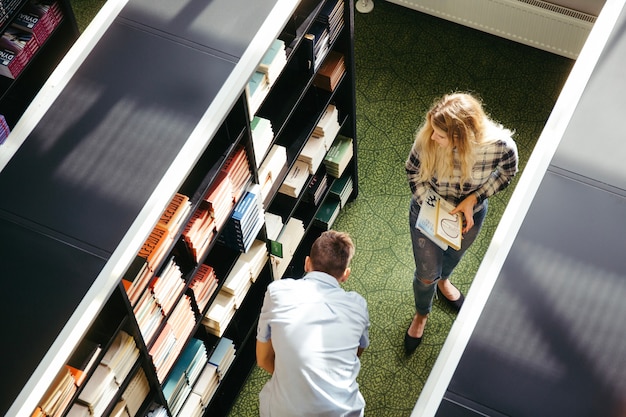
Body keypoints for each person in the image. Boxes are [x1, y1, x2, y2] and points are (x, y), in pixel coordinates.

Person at [404, 92, 518, 354]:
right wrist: (433, 208)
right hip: (427, 213)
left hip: (470, 217)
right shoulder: (427, 140)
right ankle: (422, 313)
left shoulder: (499, 146)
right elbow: (412, 171)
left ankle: (444, 281)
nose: (433, 137)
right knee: (424, 276)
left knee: (453, 257)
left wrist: (475, 198)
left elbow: (508, 171)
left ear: (461, 138)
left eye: (441, 135)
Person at [256, 230, 370, 416]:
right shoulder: (358, 306)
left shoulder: (277, 293)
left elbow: (263, 359)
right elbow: (356, 353)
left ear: (307, 263)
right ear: (345, 275)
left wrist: (298, 378)